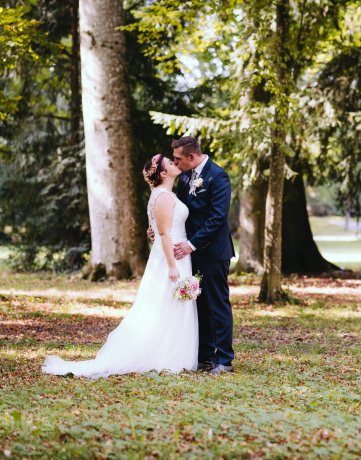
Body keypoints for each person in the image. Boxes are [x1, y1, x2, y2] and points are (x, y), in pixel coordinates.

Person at [42, 154, 198, 378]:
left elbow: (155, 229)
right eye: (171, 163)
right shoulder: (163, 197)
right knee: (170, 303)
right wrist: (172, 266)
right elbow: (163, 233)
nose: (175, 164)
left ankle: (170, 353)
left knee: (168, 305)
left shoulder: (163, 195)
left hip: (173, 253)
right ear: (163, 173)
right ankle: (167, 357)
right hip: (171, 256)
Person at [152, 136, 235, 375]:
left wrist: (191, 244)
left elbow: (217, 218)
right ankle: (205, 356)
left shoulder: (218, 176)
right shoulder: (185, 176)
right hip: (188, 253)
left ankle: (225, 359)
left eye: (178, 158)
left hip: (213, 252)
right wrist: (160, 230)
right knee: (198, 305)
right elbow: (178, 211)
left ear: (191, 156)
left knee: (217, 304)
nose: (175, 163)